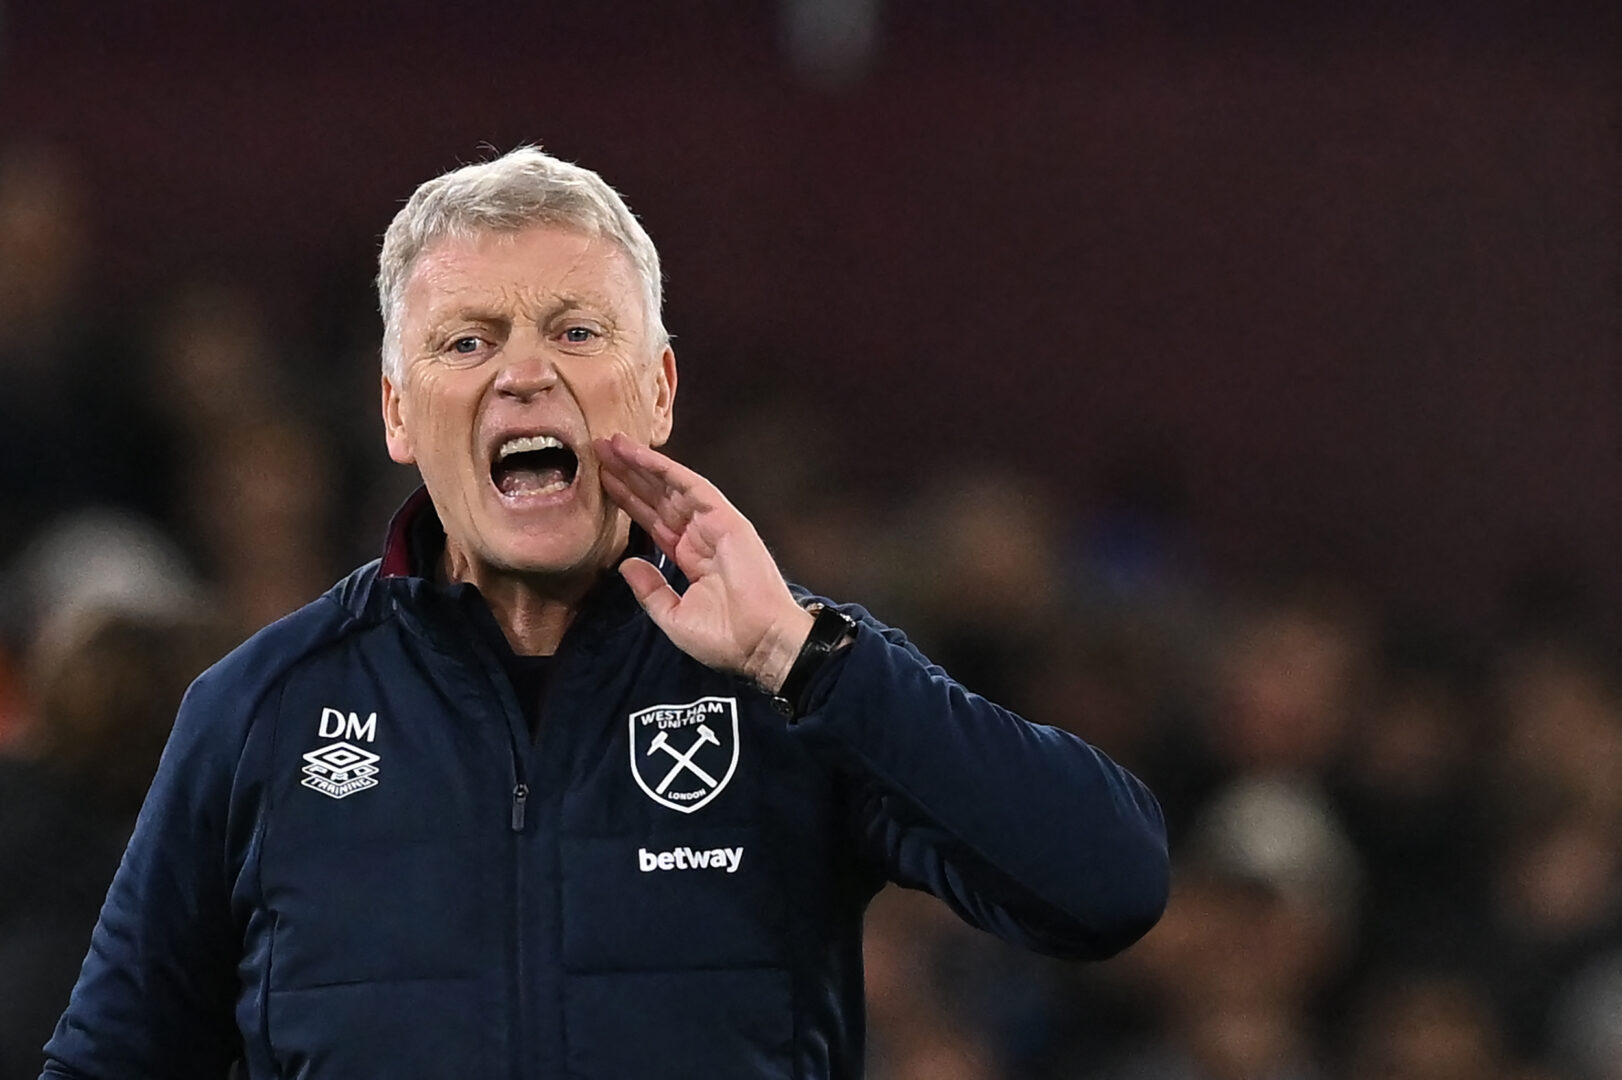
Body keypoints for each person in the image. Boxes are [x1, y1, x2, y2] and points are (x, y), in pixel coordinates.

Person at [40, 147, 1169, 1079]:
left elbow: (1108, 887)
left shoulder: (799, 679)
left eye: (576, 333)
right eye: (467, 340)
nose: (524, 375)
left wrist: (798, 654)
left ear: (659, 390)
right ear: (396, 411)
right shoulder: (260, 712)